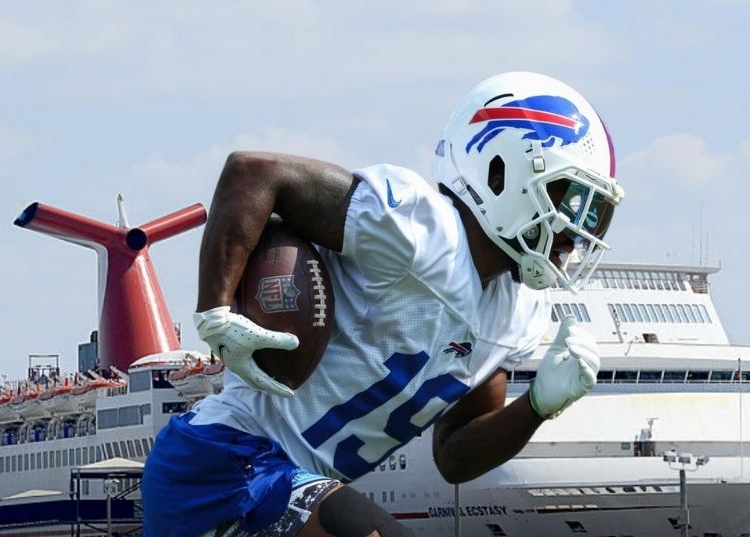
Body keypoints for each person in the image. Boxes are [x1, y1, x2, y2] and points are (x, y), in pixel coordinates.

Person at [142, 72, 624, 537]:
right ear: (502, 171)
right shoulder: (418, 228)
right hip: (220, 460)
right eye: (571, 197)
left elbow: (454, 455)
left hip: (288, 484)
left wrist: (537, 406)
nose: (580, 227)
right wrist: (215, 309)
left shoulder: (516, 317)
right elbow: (255, 173)